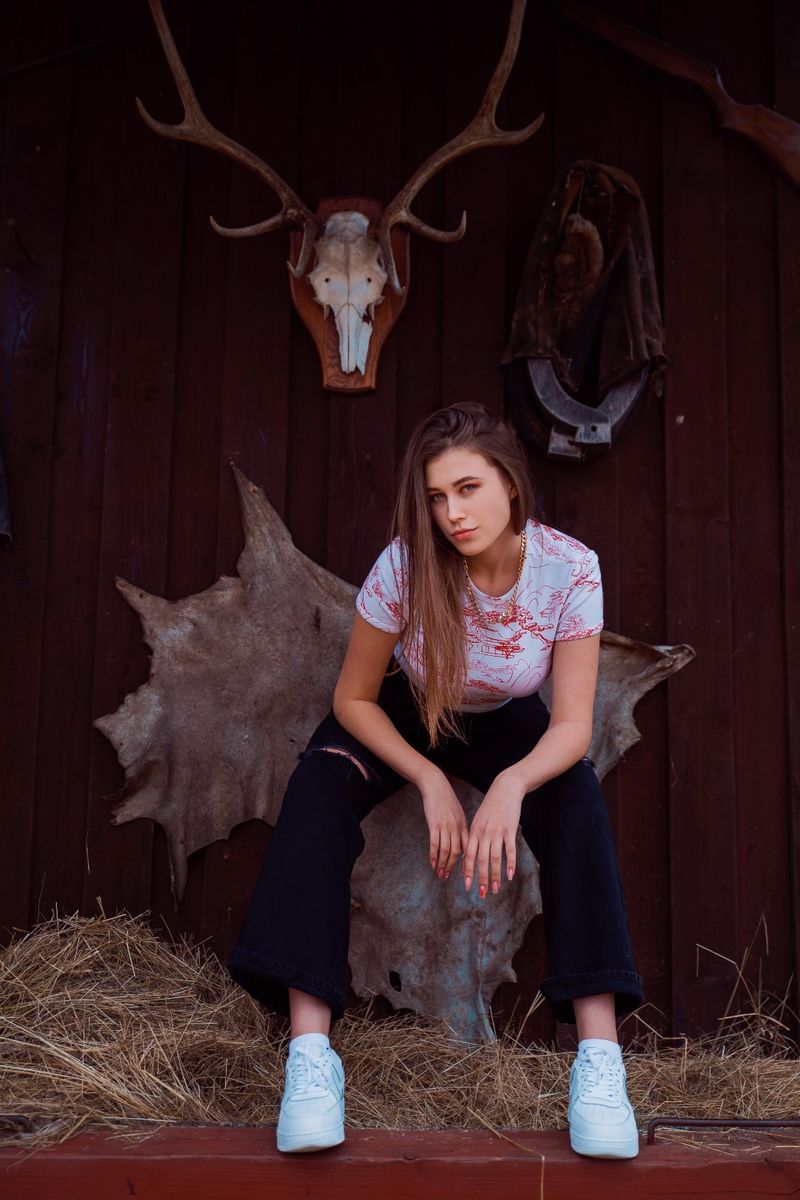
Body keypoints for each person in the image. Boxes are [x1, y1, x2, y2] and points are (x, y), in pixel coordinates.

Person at [228, 401, 644, 1159]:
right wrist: (427, 778)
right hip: (406, 706)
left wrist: (511, 787)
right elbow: (353, 700)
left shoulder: (569, 568)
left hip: (505, 718)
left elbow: (571, 726)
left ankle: (599, 1063)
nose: (452, 514)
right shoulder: (405, 565)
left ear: (510, 483)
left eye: (468, 488)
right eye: (436, 497)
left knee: (574, 796)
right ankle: (310, 1060)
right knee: (319, 789)